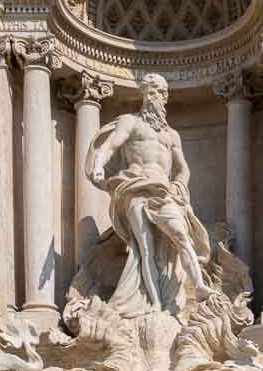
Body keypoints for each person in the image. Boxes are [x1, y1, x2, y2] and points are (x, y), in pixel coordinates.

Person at [87, 72, 212, 315]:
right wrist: (98, 165)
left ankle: (199, 286)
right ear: (144, 95)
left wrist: (179, 184)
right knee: (145, 248)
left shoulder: (171, 135)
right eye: (151, 91)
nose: (156, 96)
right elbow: (110, 145)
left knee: (182, 235)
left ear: (165, 96)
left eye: (160, 92)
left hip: (164, 192)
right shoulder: (130, 122)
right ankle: (154, 302)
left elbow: (183, 168)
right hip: (134, 187)